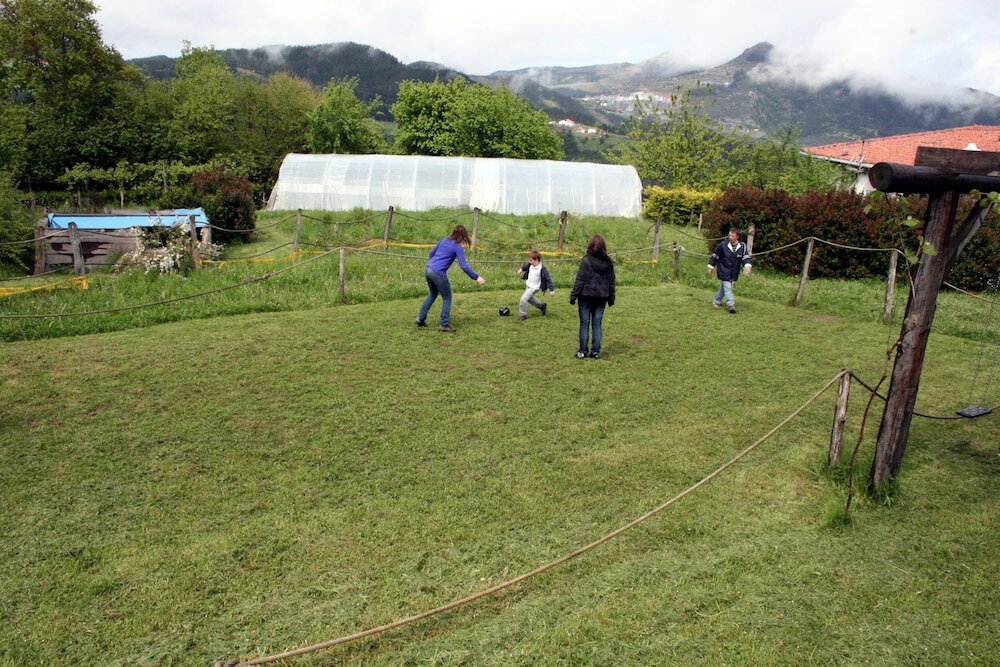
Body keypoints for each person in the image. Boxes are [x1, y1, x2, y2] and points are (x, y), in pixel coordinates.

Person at [416, 225, 486, 332]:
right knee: (447, 297)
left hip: (428, 268)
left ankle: (420, 319)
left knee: (433, 294)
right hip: (437, 272)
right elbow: (464, 266)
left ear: (453, 233)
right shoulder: (457, 246)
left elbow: (431, 253)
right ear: (463, 236)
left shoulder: (444, 240)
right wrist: (477, 277)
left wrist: (433, 264)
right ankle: (444, 324)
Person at [569, 235, 616, 359]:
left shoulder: (586, 260)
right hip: (601, 297)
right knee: (597, 324)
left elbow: (580, 280)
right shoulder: (608, 262)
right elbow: (612, 282)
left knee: (584, 324)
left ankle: (582, 351)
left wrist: (573, 296)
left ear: (590, 245)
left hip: (585, 296)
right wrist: (611, 298)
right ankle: (595, 352)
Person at [708, 227, 752, 314]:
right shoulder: (723, 245)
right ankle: (731, 304)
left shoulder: (742, 246)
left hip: (734, 272)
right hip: (723, 270)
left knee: (724, 288)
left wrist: (747, 266)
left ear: (737, 237)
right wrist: (711, 266)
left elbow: (745, 257)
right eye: (729, 235)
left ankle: (716, 301)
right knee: (728, 287)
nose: (730, 237)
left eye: (732, 236)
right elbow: (715, 256)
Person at [516, 250, 555, 320]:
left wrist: (551, 290)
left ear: (536, 260)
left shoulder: (542, 269)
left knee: (523, 299)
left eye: (531, 260)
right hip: (528, 285)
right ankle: (542, 306)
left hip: (534, 287)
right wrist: (521, 269)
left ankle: (522, 315)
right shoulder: (530, 264)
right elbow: (525, 266)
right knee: (529, 298)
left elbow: (548, 279)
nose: (529, 262)